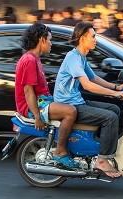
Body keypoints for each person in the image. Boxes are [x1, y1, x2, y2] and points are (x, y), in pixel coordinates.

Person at [54, 22, 123, 178]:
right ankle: (102, 160)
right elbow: (87, 85)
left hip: (76, 101)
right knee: (110, 118)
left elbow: (94, 78)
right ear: (83, 38)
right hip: (69, 104)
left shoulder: (80, 57)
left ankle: (101, 147)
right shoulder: (73, 58)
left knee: (114, 109)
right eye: (93, 36)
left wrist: (116, 88)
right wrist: (114, 94)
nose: (96, 39)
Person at [15, 22, 78, 168]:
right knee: (70, 111)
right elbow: (28, 91)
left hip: (42, 102)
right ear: (41, 40)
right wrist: (37, 116)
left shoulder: (34, 59)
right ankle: (60, 151)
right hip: (33, 106)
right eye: (49, 40)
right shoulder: (29, 60)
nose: (51, 44)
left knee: (73, 105)